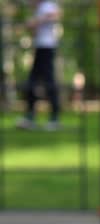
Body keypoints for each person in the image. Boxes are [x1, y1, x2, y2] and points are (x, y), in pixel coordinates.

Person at [16, 0, 62, 131]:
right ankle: (30, 116)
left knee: (48, 82)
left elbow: (56, 15)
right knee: (32, 81)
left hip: (47, 47)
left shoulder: (47, 5)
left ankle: (54, 118)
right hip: (40, 47)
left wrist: (36, 21)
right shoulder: (39, 8)